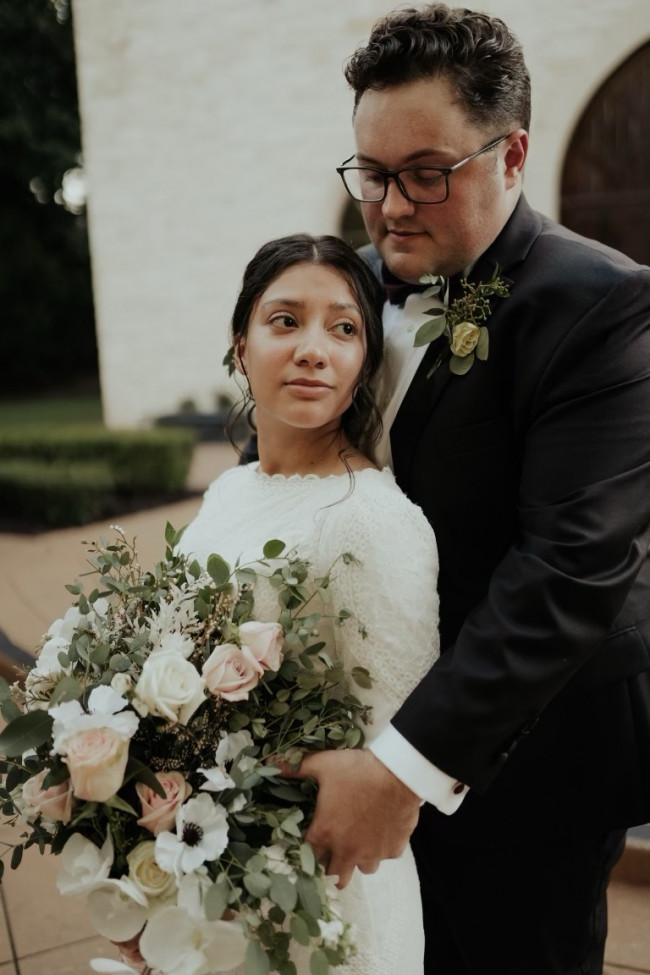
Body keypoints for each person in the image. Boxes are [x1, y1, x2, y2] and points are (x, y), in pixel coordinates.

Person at [285, 6, 650, 975]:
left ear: (511, 154)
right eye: (371, 174)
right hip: (354, 742)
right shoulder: (348, 288)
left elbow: (567, 570)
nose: (391, 206)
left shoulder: (603, 304)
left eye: (425, 173)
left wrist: (399, 769)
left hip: (532, 768)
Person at [178, 232, 440, 974]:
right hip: (206, 865)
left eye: (344, 328)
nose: (313, 350)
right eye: (285, 320)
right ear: (241, 347)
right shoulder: (231, 489)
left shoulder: (372, 521)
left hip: (324, 895)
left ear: (364, 365)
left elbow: (389, 751)